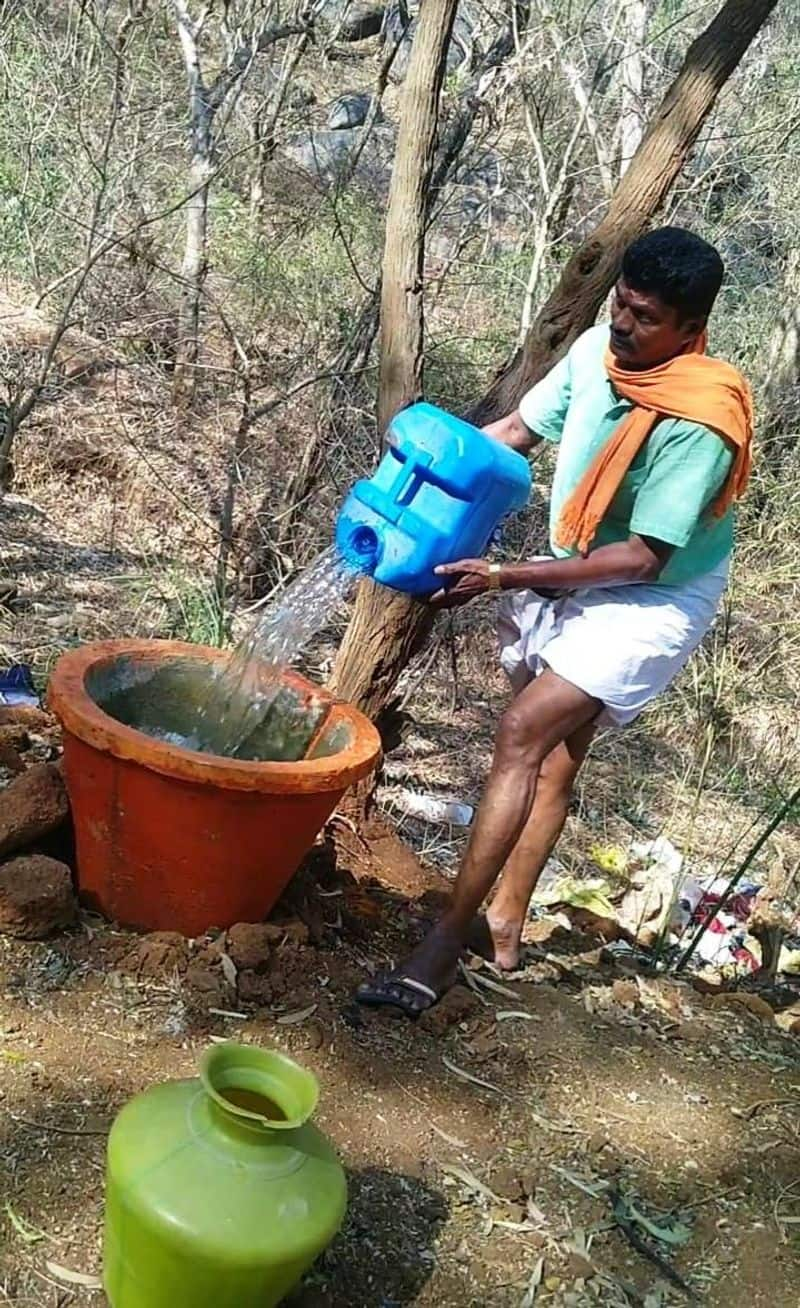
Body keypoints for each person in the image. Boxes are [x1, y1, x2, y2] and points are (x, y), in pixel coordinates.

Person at [357, 225, 754, 1019]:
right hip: (571, 557)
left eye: (644, 317)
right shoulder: (594, 359)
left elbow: (642, 557)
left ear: (689, 327)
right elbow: (512, 437)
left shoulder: (699, 420)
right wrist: (422, 469)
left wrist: (505, 575)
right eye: (621, 304)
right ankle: (505, 922)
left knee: (522, 734)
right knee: (555, 760)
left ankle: (445, 944)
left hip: (652, 590)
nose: (623, 324)